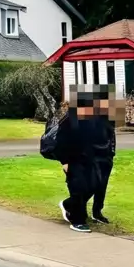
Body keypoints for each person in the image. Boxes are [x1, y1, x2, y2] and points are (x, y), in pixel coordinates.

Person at [53, 89, 105, 233]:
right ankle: (77, 220)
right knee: (78, 189)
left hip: (90, 159)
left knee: (93, 186)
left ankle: (67, 204)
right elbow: (60, 142)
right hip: (73, 160)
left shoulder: (93, 120)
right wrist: (64, 161)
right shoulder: (69, 120)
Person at [91, 89, 118, 224]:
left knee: (102, 185)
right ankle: (75, 208)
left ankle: (97, 212)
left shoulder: (110, 117)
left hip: (106, 155)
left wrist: (111, 153)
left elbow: (111, 136)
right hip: (93, 155)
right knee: (90, 184)